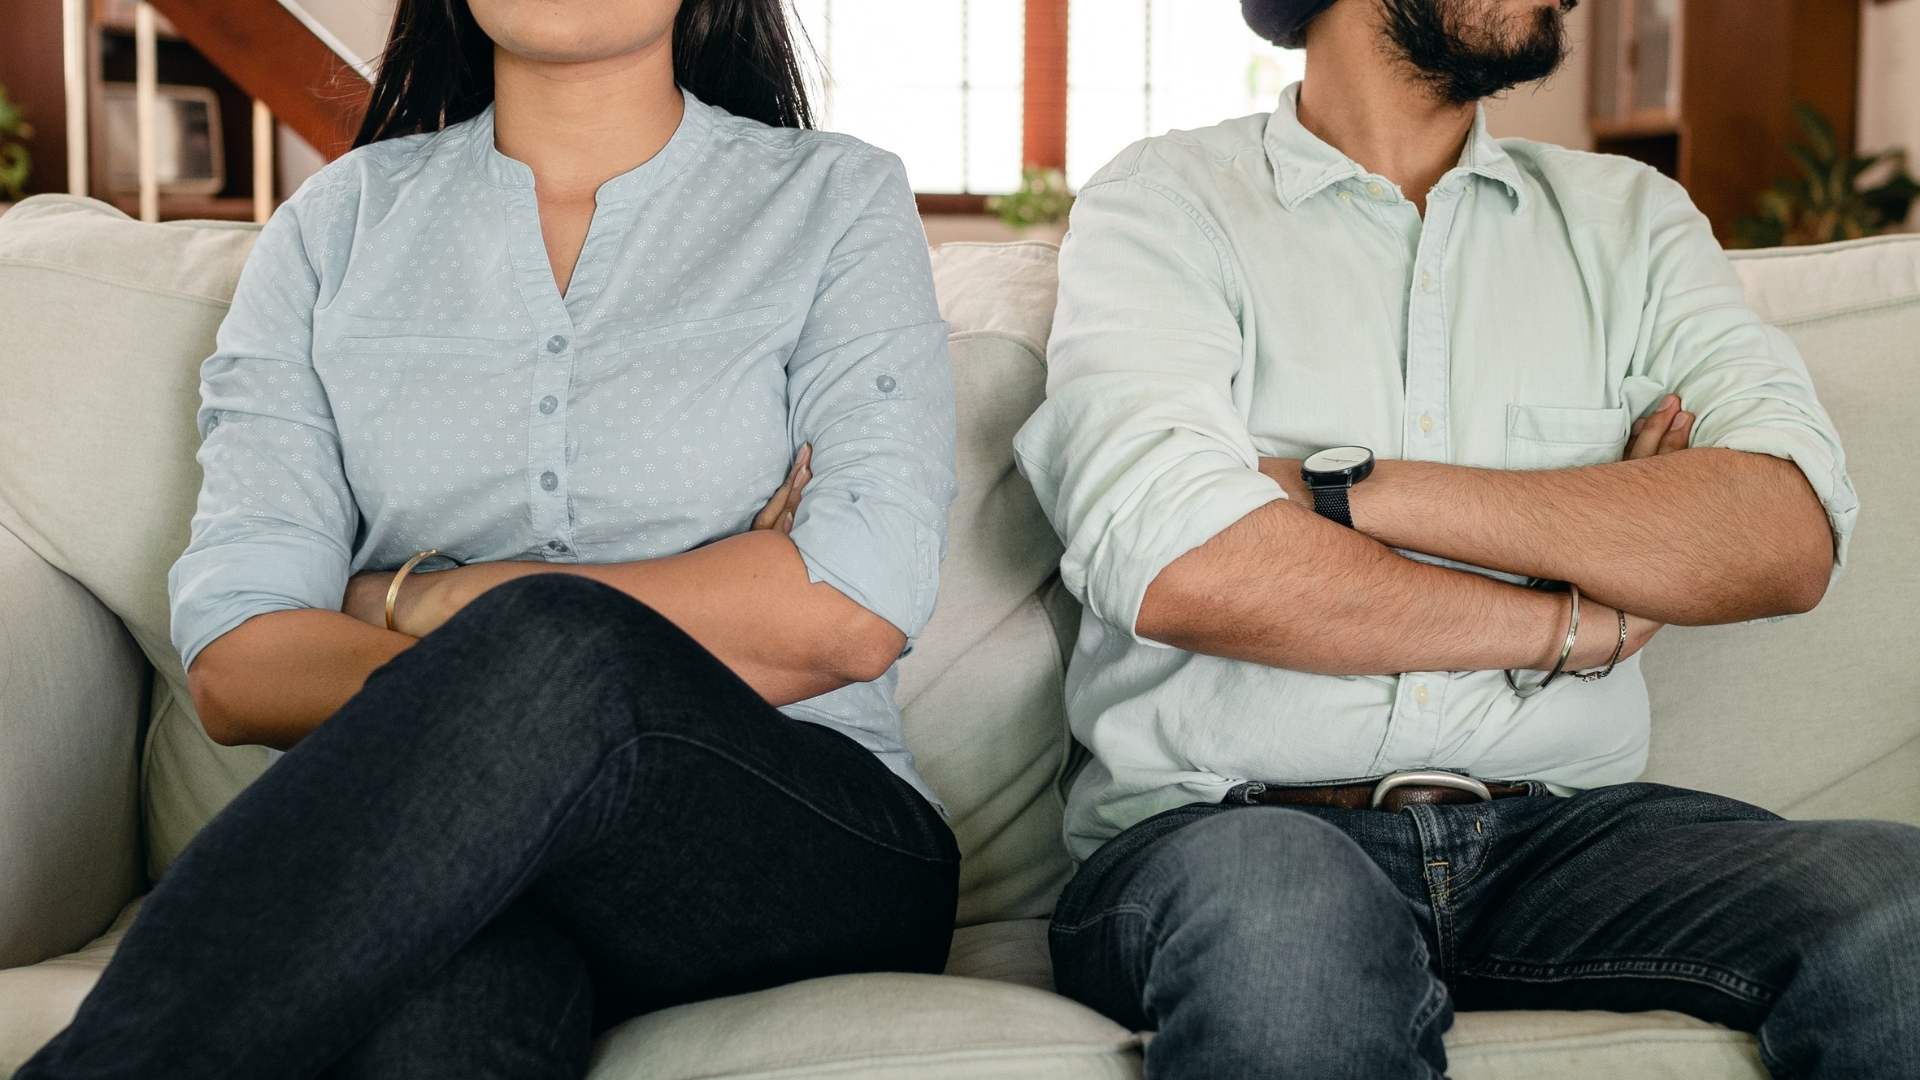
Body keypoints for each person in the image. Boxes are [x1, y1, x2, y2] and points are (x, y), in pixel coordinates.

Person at [20, 1, 959, 1076]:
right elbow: (242, 663)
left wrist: (427, 597)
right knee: (443, 1030)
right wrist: (648, 626)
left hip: (799, 846)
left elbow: (848, 610)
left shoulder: (835, 198)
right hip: (466, 872)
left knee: (559, 642)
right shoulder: (336, 227)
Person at [1014, 0, 1920, 1076]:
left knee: (1895, 903)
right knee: (1290, 940)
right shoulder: (1167, 201)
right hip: (1231, 831)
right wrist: (1568, 621)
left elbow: (1782, 535)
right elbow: (1180, 562)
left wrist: (1339, 489)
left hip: (1564, 839)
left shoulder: (1631, 220)